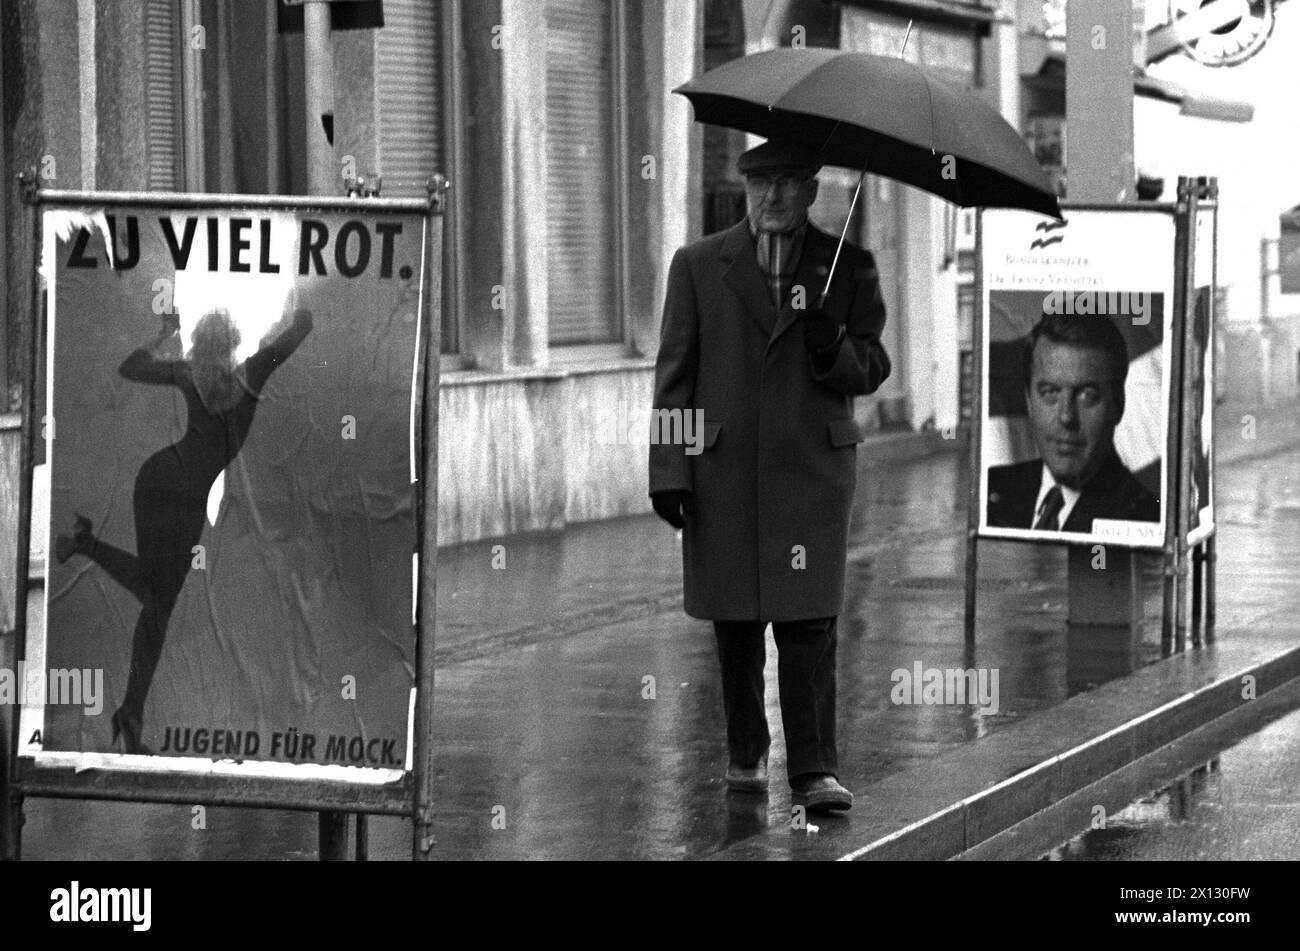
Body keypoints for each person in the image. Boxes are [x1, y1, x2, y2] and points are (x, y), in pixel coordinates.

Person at [648, 139, 890, 813]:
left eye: (787, 183)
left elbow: (873, 366)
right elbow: (675, 376)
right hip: (724, 473)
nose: (772, 197)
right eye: (760, 184)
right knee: (735, 624)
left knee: (809, 624)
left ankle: (814, 771)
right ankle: (746, 751)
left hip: (812, 473)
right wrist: (670, 471)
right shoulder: (699, 265)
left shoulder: (848, 267)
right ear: (745, 188)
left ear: (811, 190)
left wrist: (833, 346)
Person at [56, 305, 313, 754]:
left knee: (155, 601)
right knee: (157, 602)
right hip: (182, 495)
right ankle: (130, 713)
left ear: (199, 341)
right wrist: (300, 311)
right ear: (233, 341)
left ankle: (86, 547)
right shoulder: (250, 373)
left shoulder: (188, 373)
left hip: (158, 478)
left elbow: (130, 366)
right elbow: (296, 335)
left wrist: (162, 336)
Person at [986, 313, 1159, 532]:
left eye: (1087, 395)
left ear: (1118, 404)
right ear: (1029, 401)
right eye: (1050, 392)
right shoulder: (992, 488)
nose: (1066, 417)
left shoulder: (1144, 519)